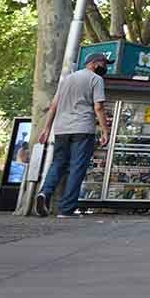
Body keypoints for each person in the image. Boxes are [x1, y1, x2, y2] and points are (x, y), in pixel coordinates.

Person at [33, 54, 110, 218]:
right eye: (104, 63)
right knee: (77, 167)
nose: (106, 67)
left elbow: (53, 106)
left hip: (61, 128)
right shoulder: (96, 79)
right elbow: (98, 108)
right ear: (94, 64)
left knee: (58, 163)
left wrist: (46, 129)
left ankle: (44, 193)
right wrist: (105, 130)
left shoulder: (67, 79)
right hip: (82, 128)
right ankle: (66, 209)